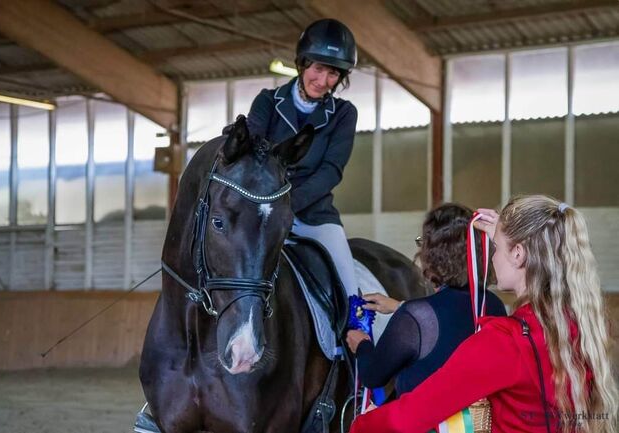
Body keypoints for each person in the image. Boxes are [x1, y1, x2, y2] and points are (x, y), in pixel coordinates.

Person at [350, 195, 618, 433]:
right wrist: (505, 233)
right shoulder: (581, 324)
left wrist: (360, 425)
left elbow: (406, 419)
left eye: (497, 248)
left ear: (518, 254)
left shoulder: (504, 342)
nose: (490, 258)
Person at [246, 18, 359, 298]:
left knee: (349, 288)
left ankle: (356, 336)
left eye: (333, 74)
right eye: (318, 69)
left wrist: (288, 203)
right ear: (303, 63)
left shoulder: (345, 113)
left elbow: (331, 170)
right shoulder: (267, 102)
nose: (323, 82)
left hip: (315, 216)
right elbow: (251, 149)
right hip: (261, 212)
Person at [346, 203, 507, 397]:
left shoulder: (415, 316)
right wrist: (399, 306)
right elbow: (450, 324)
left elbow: (373, 375)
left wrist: (362, 345)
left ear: (433, 255)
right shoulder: (493, 305)